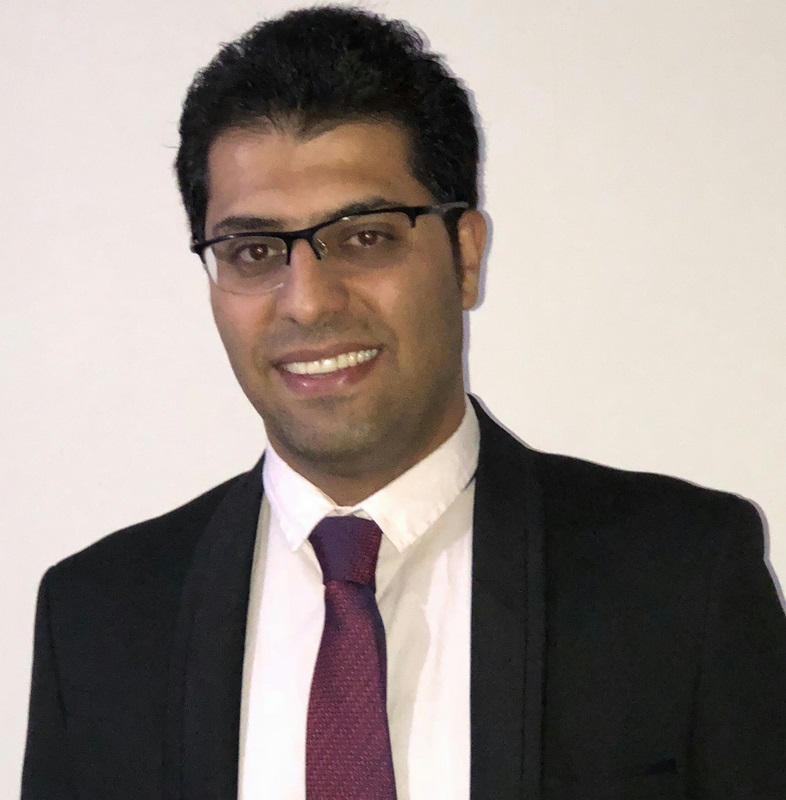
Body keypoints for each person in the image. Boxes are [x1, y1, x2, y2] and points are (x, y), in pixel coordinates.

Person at [21, 6, 786, 800]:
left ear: (466, 256)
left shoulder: (681, 579)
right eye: (253, 251)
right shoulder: (98, 619)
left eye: (366, 237)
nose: (307, 302)